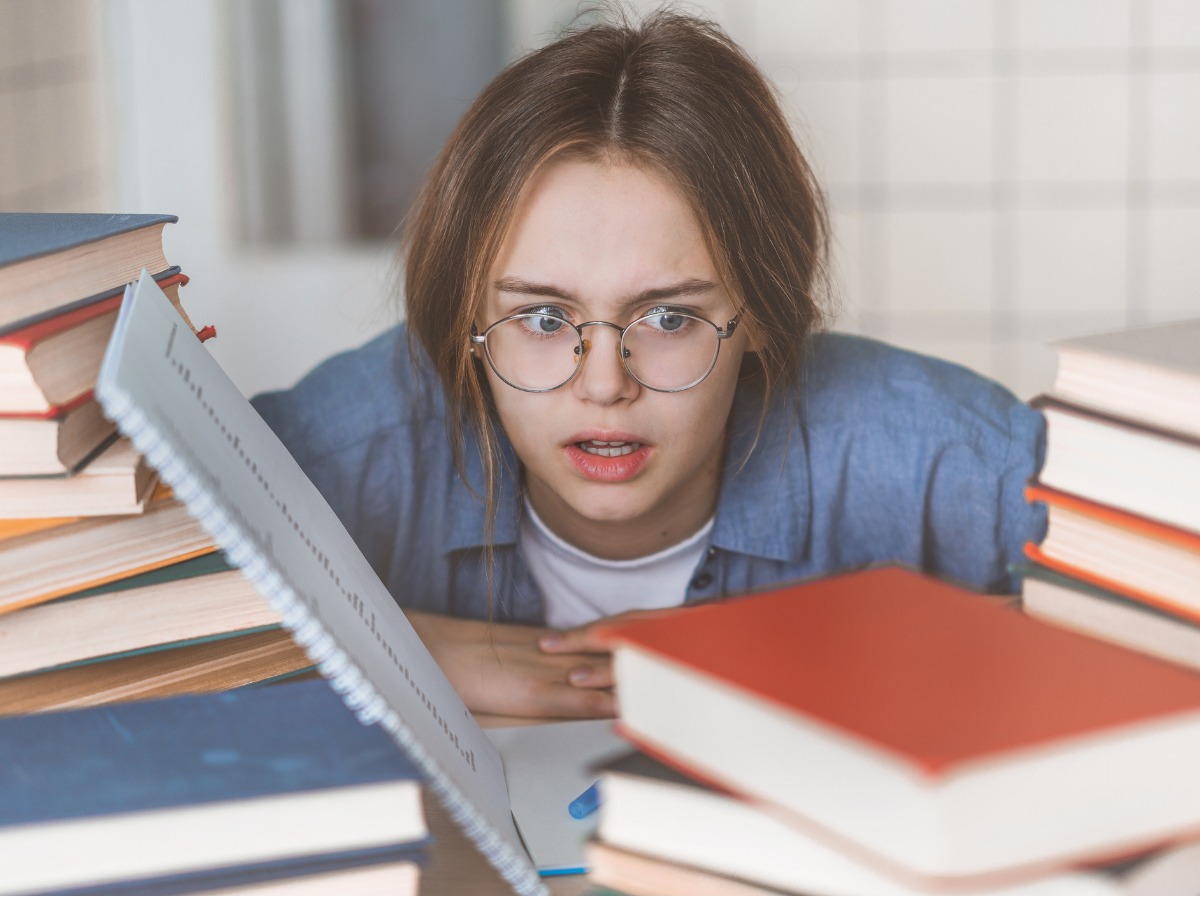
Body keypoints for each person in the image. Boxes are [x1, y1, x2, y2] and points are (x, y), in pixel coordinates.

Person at [252, 10, 1046, 719]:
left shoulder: (925, 446)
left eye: (669, 318)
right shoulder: (350, 441)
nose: (604, 385)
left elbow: (1167, 609)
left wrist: (800, 646)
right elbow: (134, 599)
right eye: (542, 317)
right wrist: (392, 648)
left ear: (762, 315)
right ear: (468, 319)